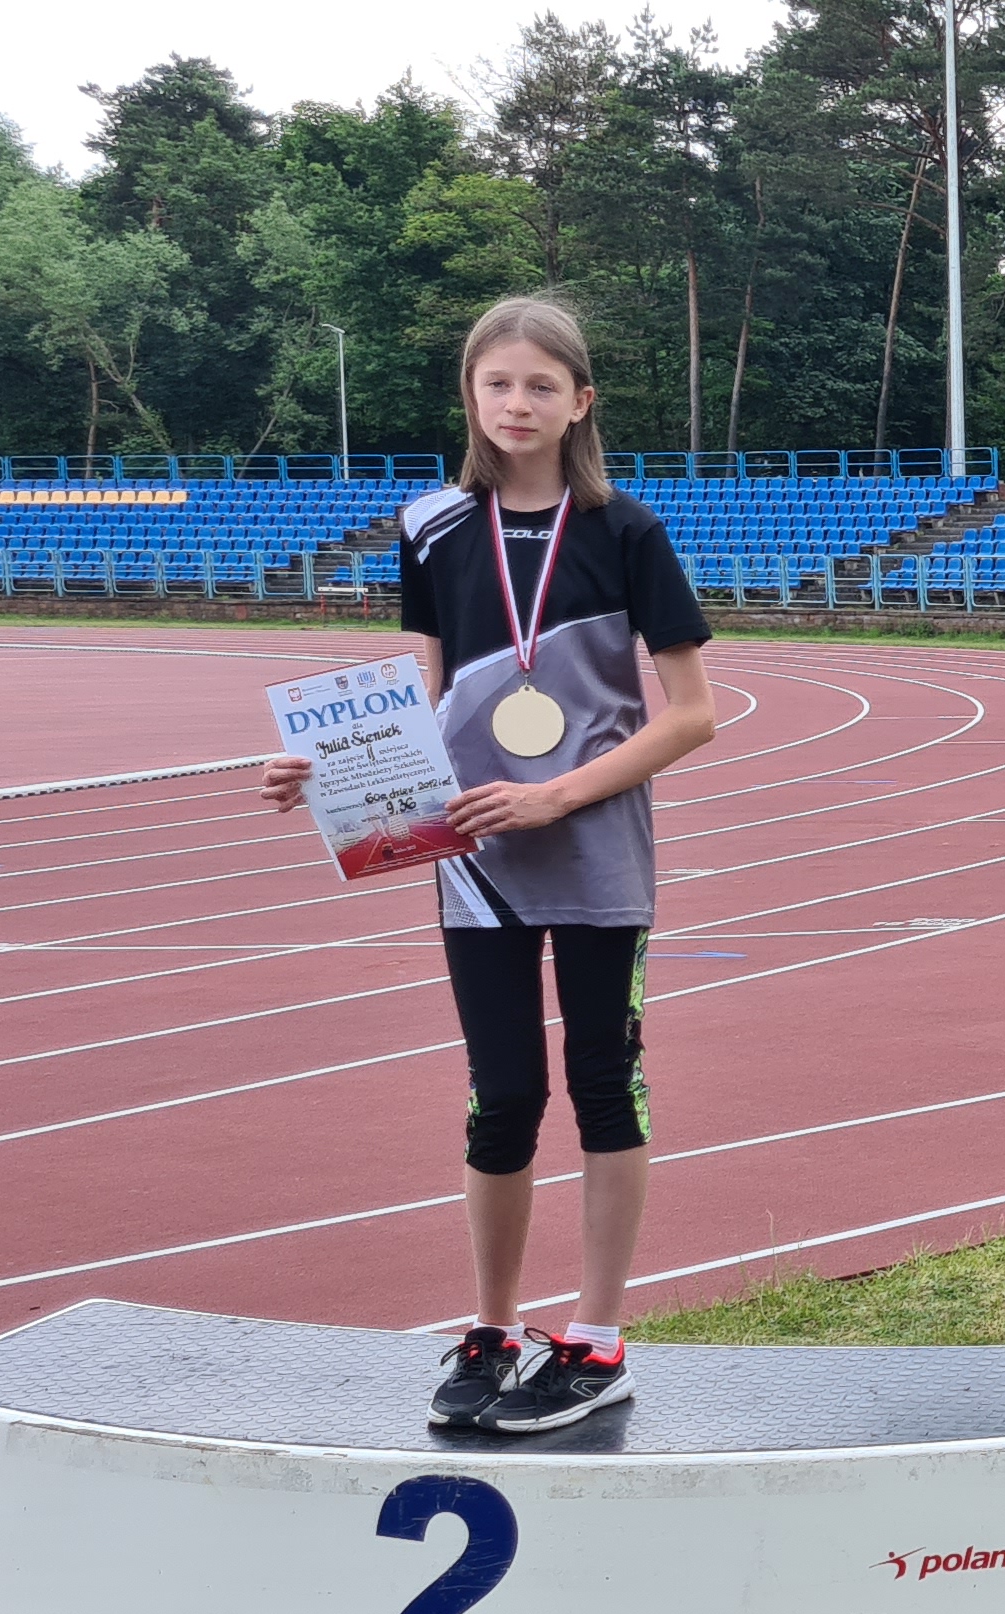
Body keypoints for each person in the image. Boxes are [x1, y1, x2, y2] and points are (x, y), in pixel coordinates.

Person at [260, 294, 716, 1432]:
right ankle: (492, 1327)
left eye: (541, 386)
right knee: (501, 1095)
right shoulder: (431, 528)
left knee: (606, 1088)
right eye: (497, 383)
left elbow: (694, 712)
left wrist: (557, 789)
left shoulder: (626, 531)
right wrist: (330, 769)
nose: (517, 404)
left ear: (581, 403)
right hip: (475, 861)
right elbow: (418, 694)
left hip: (599, 849)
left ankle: (597, 1337)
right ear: (469, 395)